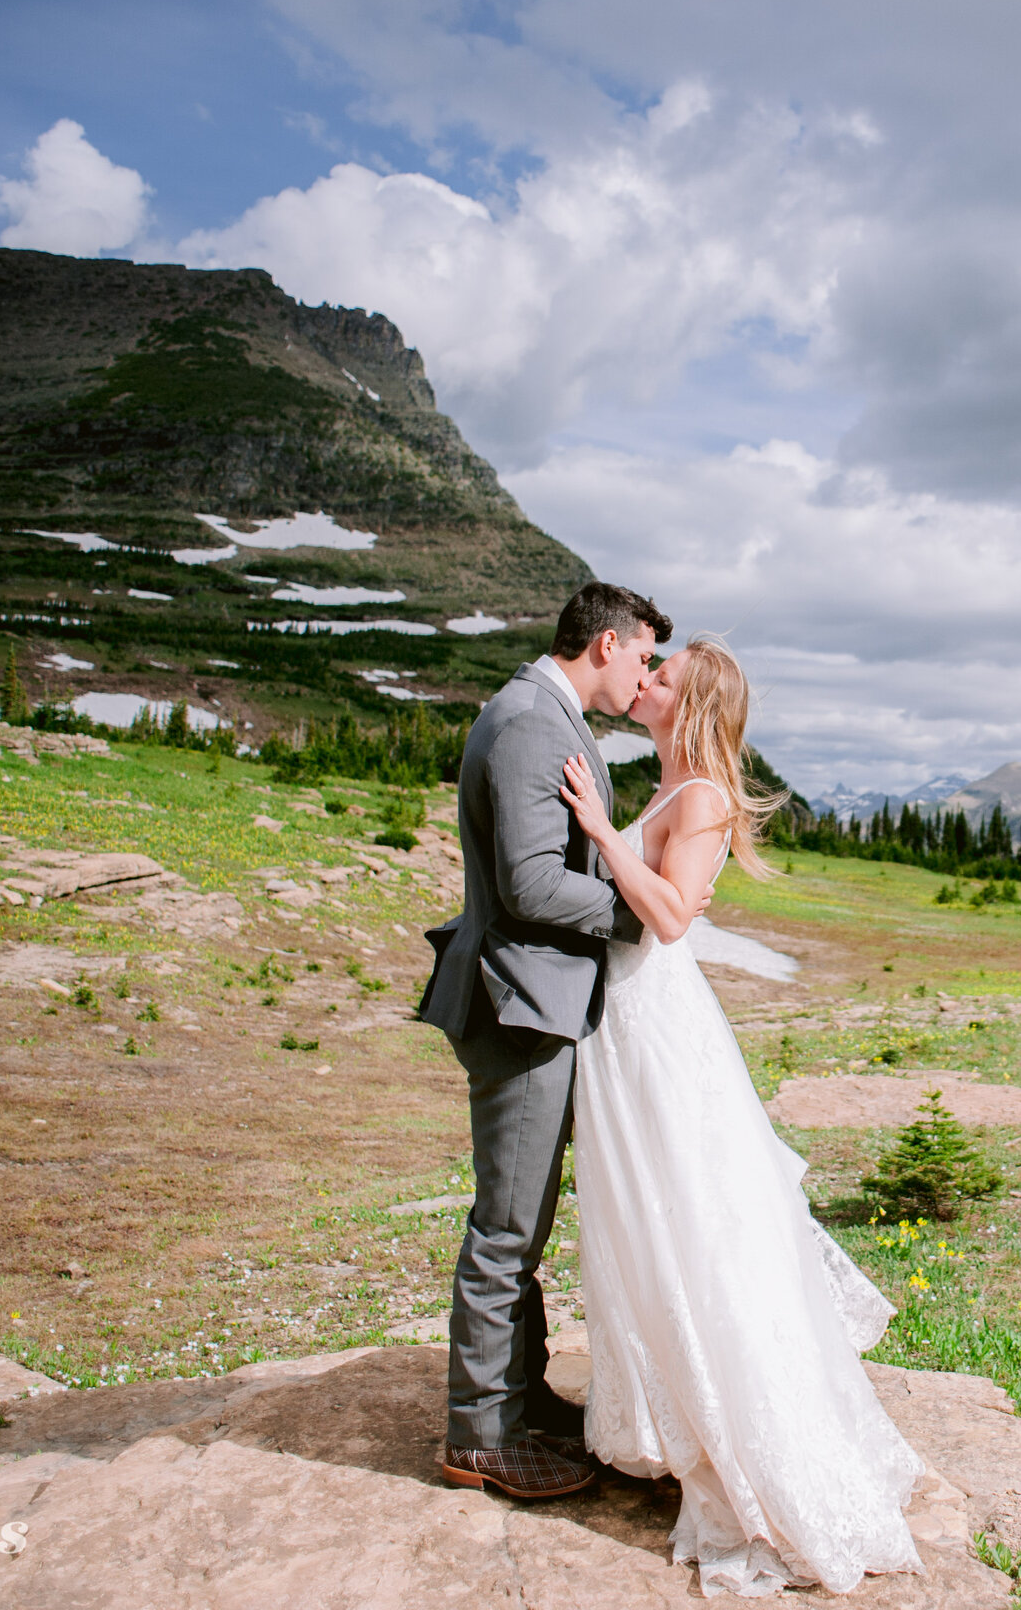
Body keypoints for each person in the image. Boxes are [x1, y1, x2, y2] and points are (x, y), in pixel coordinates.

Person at [557, 634, 924, 1597]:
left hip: (659, 1025)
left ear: (692, 699)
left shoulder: (704, 796)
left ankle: (744, 1443)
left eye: (662, 675)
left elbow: (673, 917)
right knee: (650, 1218)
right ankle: (680, 1417)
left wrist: (599, 833)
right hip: (627, 1025)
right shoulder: (674, 787)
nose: (646, 681)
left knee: (695, 1220)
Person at [416, 581, 668, 1500]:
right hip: (520, 1001)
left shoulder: (543, 712)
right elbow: (528, 886)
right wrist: (639, 913)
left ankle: (516, 1399)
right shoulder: (532, 722)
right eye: (643, 655)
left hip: (536, 1000)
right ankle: (479, 1437)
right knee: (507, 1228)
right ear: (605, 645)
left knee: (524, 1218)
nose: (646, 676)